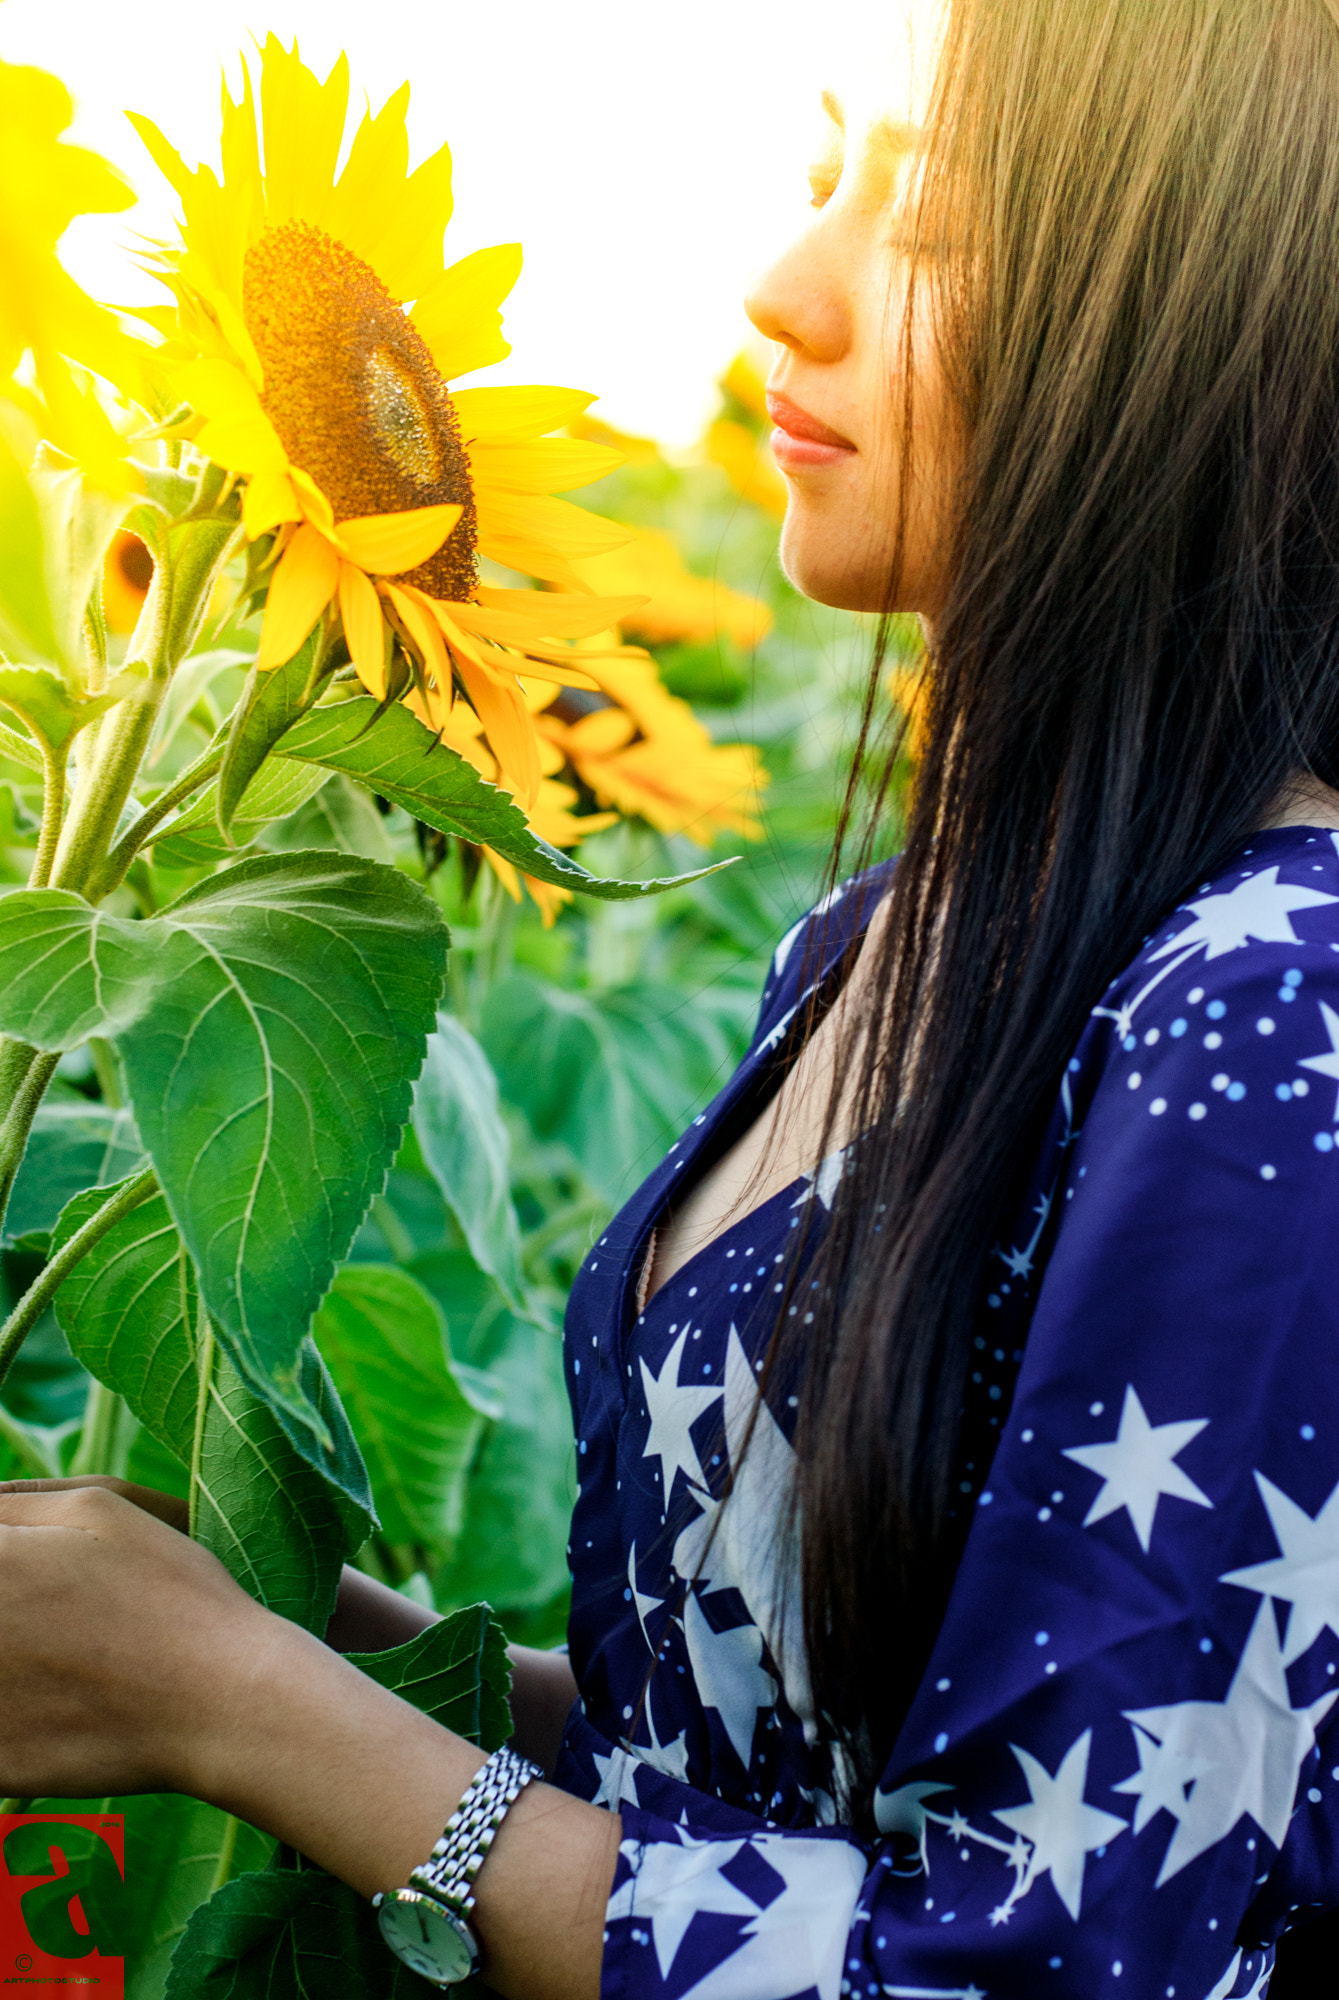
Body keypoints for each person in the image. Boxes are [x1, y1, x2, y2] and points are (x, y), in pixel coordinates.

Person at [4, 0, 1339, 1992]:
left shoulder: (1267, 1018)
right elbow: (747, 1769)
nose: (783, 289)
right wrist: (281, 1634)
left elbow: (1038, 1953)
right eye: (828, 174)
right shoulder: (891, 939)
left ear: (1194, 314)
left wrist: (245, 1713)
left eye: (931, 217)